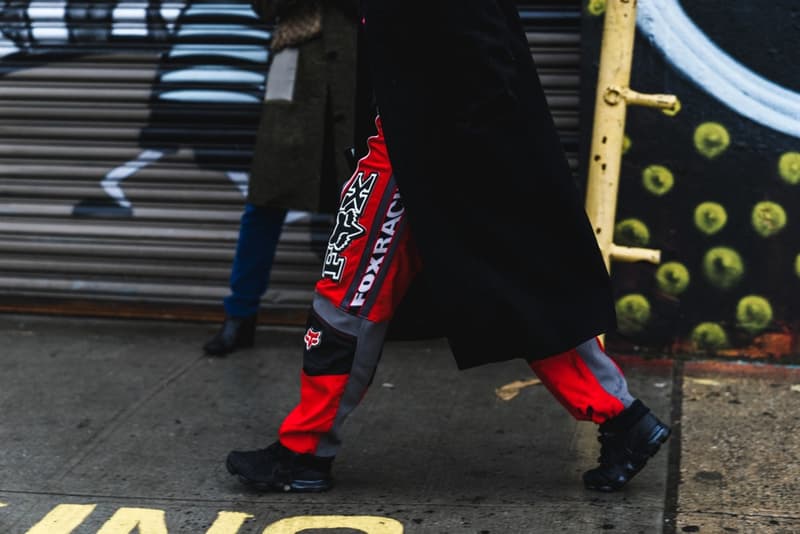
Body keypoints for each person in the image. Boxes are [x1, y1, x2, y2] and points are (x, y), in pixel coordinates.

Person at [225, 0, 671, 493]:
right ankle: (626, 420)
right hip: (432, 144)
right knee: (518, 293)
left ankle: (304, 452)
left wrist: (460, 161)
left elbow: (482, 53)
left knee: (351, 289)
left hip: (423, 149)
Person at [203, 0, 360, 356]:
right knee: (265, 200)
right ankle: (240, 316)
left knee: (363, 202)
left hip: (356, 71)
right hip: (296, 77)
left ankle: (359, 317)